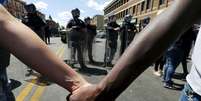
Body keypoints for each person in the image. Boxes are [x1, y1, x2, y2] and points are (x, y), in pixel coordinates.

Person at [67, 0, 201, 101]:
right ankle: (83, 64)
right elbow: (180, 15)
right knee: (105, 53)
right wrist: (101, 92)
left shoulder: (82, 22)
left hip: (90, 41)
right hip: (77, 41)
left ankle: (84, 63)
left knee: (108, 53)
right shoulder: (73, 22)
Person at [0, 4, 99, 101]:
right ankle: (33, 68)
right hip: (71, 41)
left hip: (78, 41)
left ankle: (82, 65)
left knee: (80, 55)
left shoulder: (39, 18)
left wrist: (78, 85)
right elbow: (10, 26)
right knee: (72, 55)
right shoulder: (26, 18)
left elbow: (8, 23)